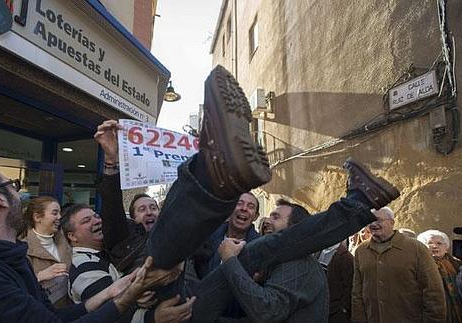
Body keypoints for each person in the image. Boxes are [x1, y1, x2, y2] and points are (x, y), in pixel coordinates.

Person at [95, 65, 401, 308]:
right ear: (131, 217)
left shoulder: (221, 237)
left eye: (152, 207)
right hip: (163, 303)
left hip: (195, 301)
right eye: (143, 209)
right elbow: (109, 207)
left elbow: (203, 238)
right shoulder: (124, 239)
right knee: (161, 248)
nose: (149, 212)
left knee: (270, 246)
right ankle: (213, 172)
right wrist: (111, 161)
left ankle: (359, 202)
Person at [0, 158, 182, 322]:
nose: (19, 195)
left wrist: (110, 292)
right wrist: (127, 298)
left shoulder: (7, 260)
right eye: (13, 186)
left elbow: (54, 316)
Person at [62, 203, 195, 322]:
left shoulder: (103, 254)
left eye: (96, 216)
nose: (97, 221)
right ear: (72, 236)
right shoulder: (85, 266)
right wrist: (152, 317)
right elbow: (110, 313)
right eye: (87, 221)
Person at [211, 199, 328, 322]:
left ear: (294, 228)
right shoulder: (278, 260)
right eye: (269, 216)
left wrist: (230, 260)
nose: (267, 221)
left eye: (275, 218)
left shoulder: (298, 262)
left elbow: (266, 311)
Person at [351, 207, 446, 323]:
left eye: (378, 220)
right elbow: (357, 293)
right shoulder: (361, 251)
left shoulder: (416, 248)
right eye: (369, 220)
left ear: (392, 222)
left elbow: (433, 290)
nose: (373, 224)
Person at [193, 192, 261, 281]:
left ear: (256, 216)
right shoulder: (208, 236)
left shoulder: (259, 247)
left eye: (250, 206)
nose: (244, 208)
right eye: (239, 203)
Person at [23, 196, 72, 306]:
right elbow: (15, 287)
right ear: (37, 217)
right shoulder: (22, 249)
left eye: (60, 213)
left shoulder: (67, 241)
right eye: (54, 213)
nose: (59, 217)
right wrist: (40, 276)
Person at [418, 229, 462, 323]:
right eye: (430, 243)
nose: (435, 246)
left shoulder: (458, 265)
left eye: (439, 243)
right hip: (431, 309)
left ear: (446, 248)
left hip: (456, 308)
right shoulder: (418, 265)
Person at [318, 240, 353, 323]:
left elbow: (349, 286)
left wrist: (343, 308)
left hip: (336, 311)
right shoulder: (320, 252)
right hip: (322, 307)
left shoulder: (346, 257)